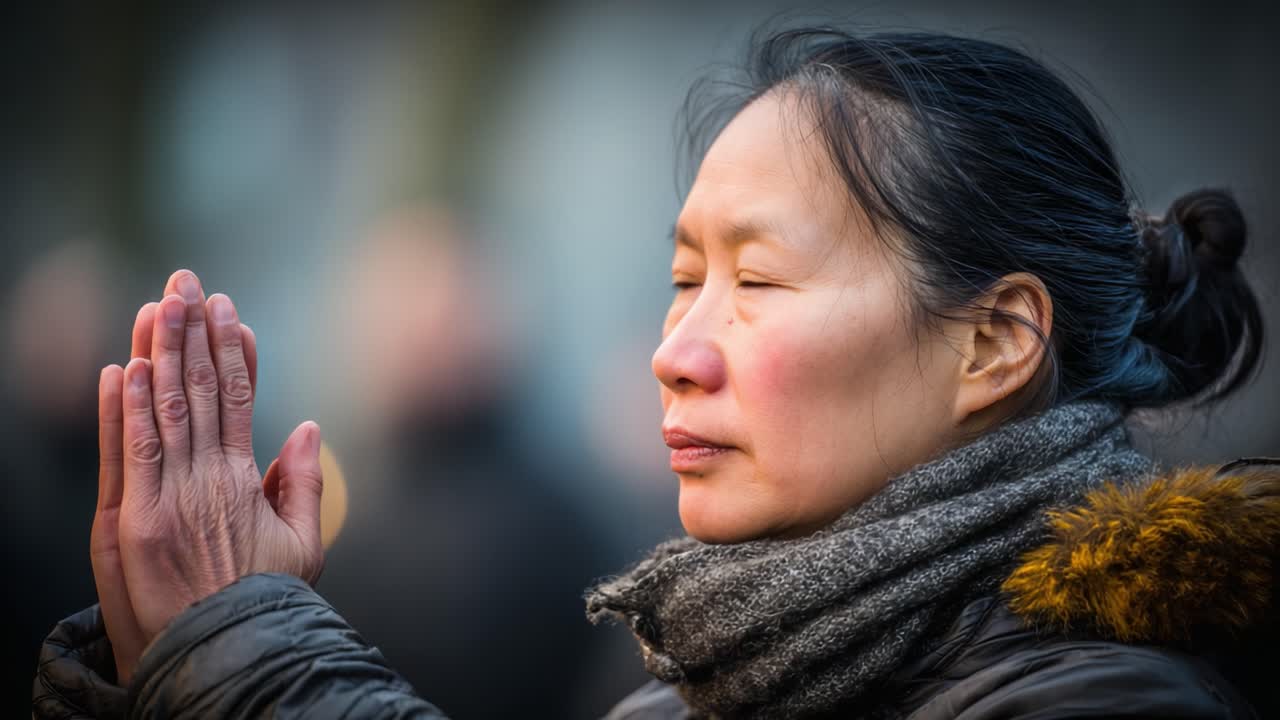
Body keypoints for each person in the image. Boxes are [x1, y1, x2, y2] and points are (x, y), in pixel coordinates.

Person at [33, 26, 1278, 719]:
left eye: (758, 280)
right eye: (684, 279)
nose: (672, 354)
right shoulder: (694, 691)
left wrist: (249, 671)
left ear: (993, 343)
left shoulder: (1109, 699)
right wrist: (164, 680)